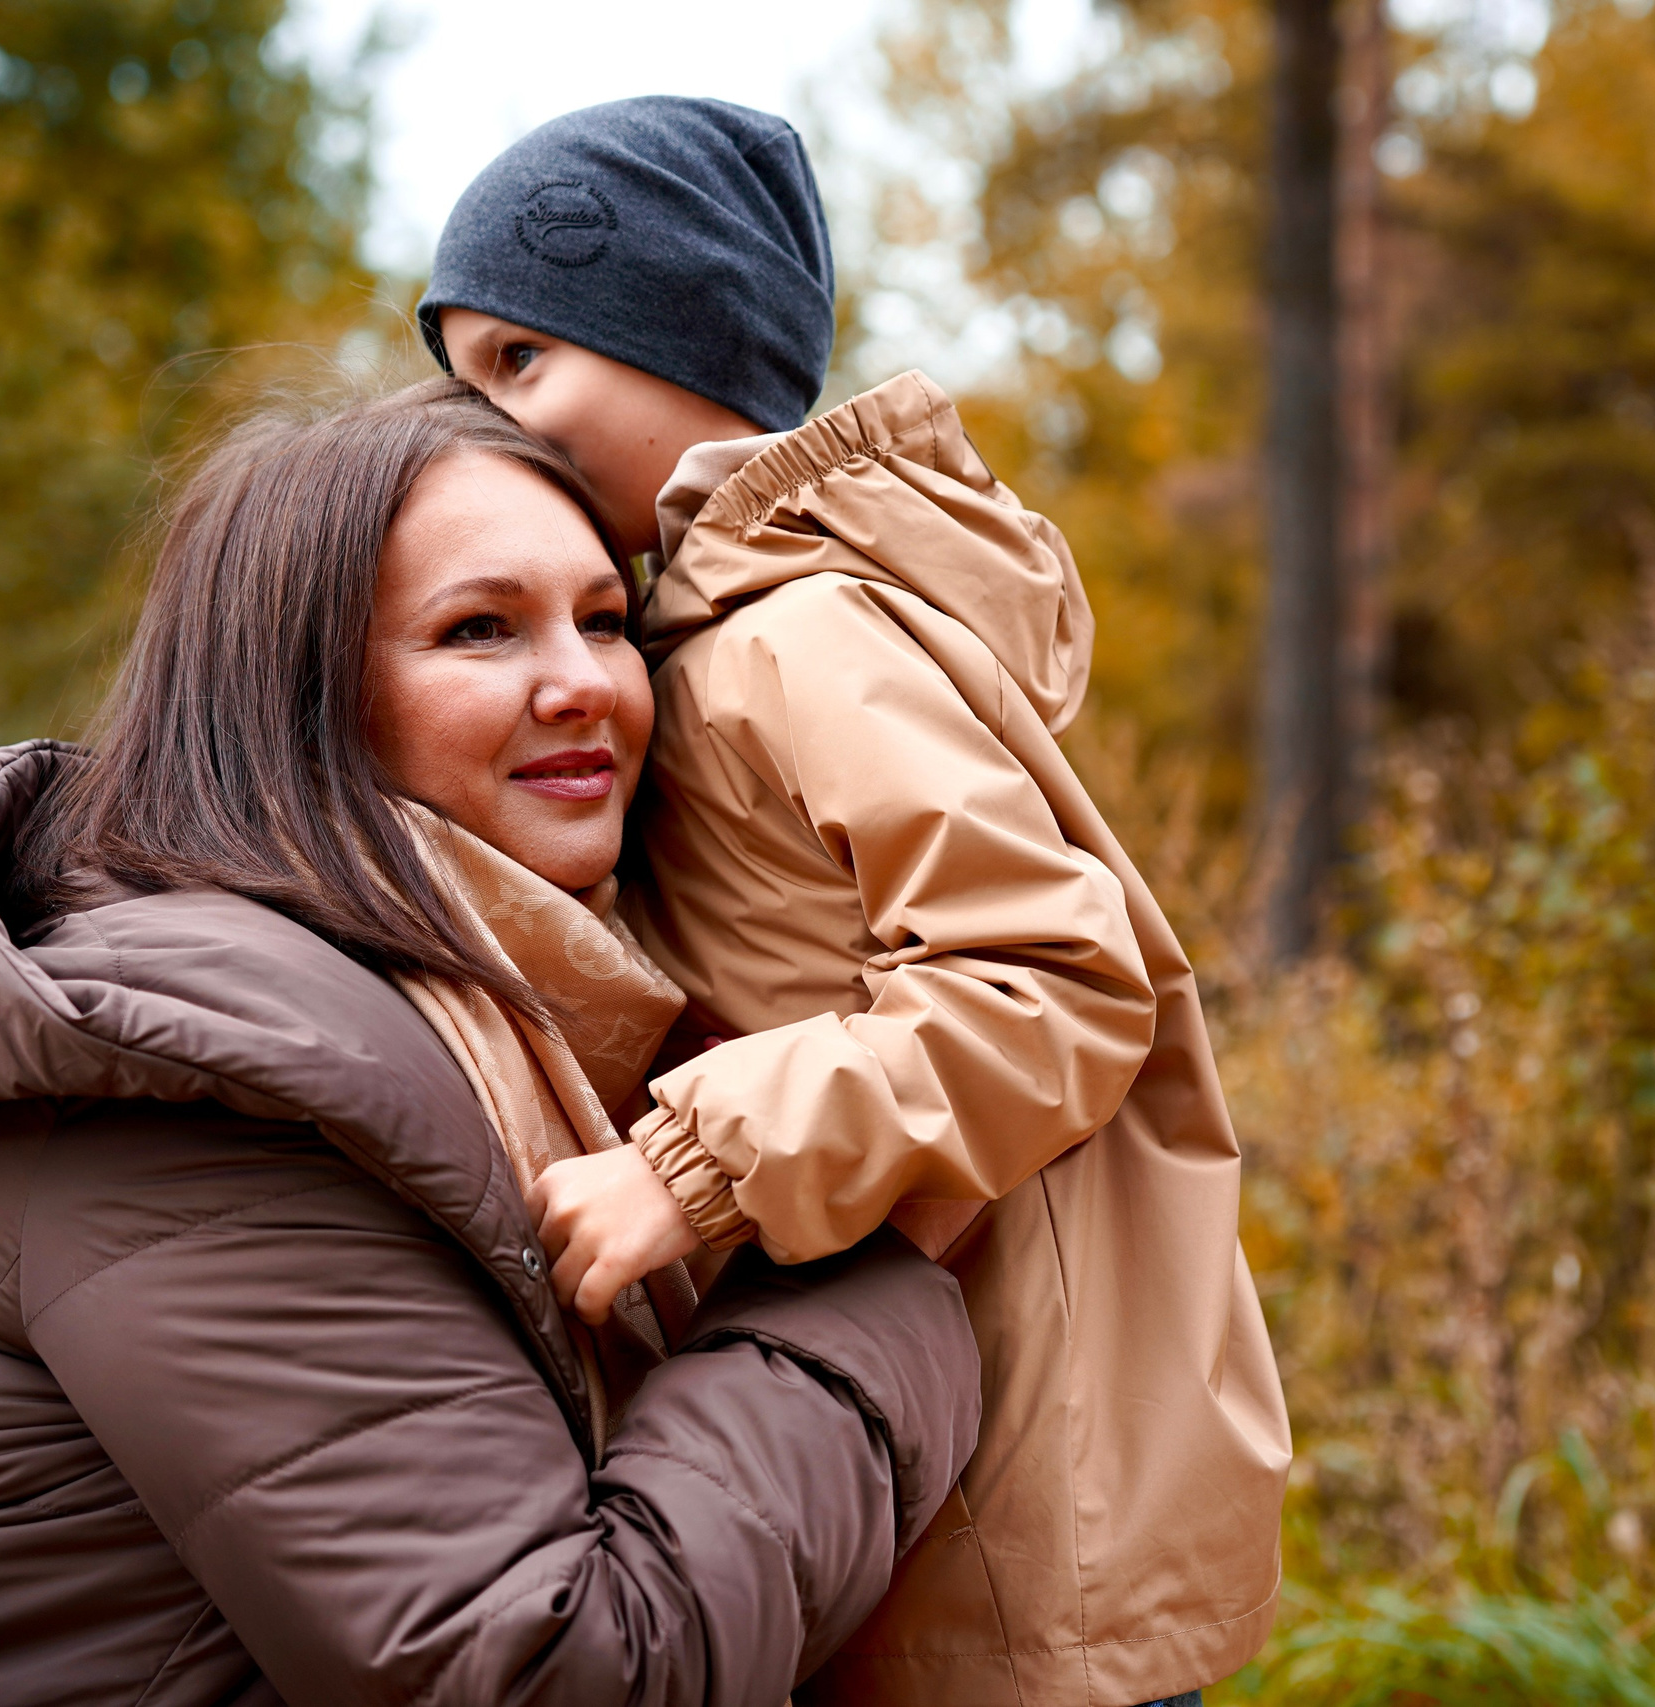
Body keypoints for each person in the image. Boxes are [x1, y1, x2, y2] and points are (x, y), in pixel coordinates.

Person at [0, 379, 980, 1705]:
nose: (583, 684)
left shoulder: (495, 1018)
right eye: (479, 630)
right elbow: (558, 1672)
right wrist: (867, 1269)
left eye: (605, 620)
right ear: (298, 704)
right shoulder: (189, 1099)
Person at [419, 98, 1290, 1707]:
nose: (482, 424)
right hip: (883, 1432)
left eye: (519, 364)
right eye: (461, 373)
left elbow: (1051, 979)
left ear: (690, 346)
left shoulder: (796, 640)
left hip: (1015, 1499)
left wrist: (698, 1166)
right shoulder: (673, 648)